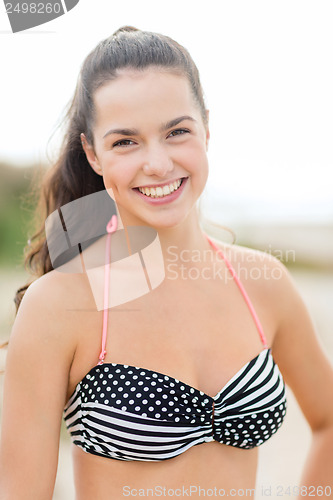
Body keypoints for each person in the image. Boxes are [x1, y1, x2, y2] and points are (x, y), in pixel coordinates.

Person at [0, 26, 332, 500]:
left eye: (176, 132)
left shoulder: (263, 283)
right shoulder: (59, 304)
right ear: (92, 154)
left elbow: (328, 421)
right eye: (125, 142)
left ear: (207, 129)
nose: (157, 163)